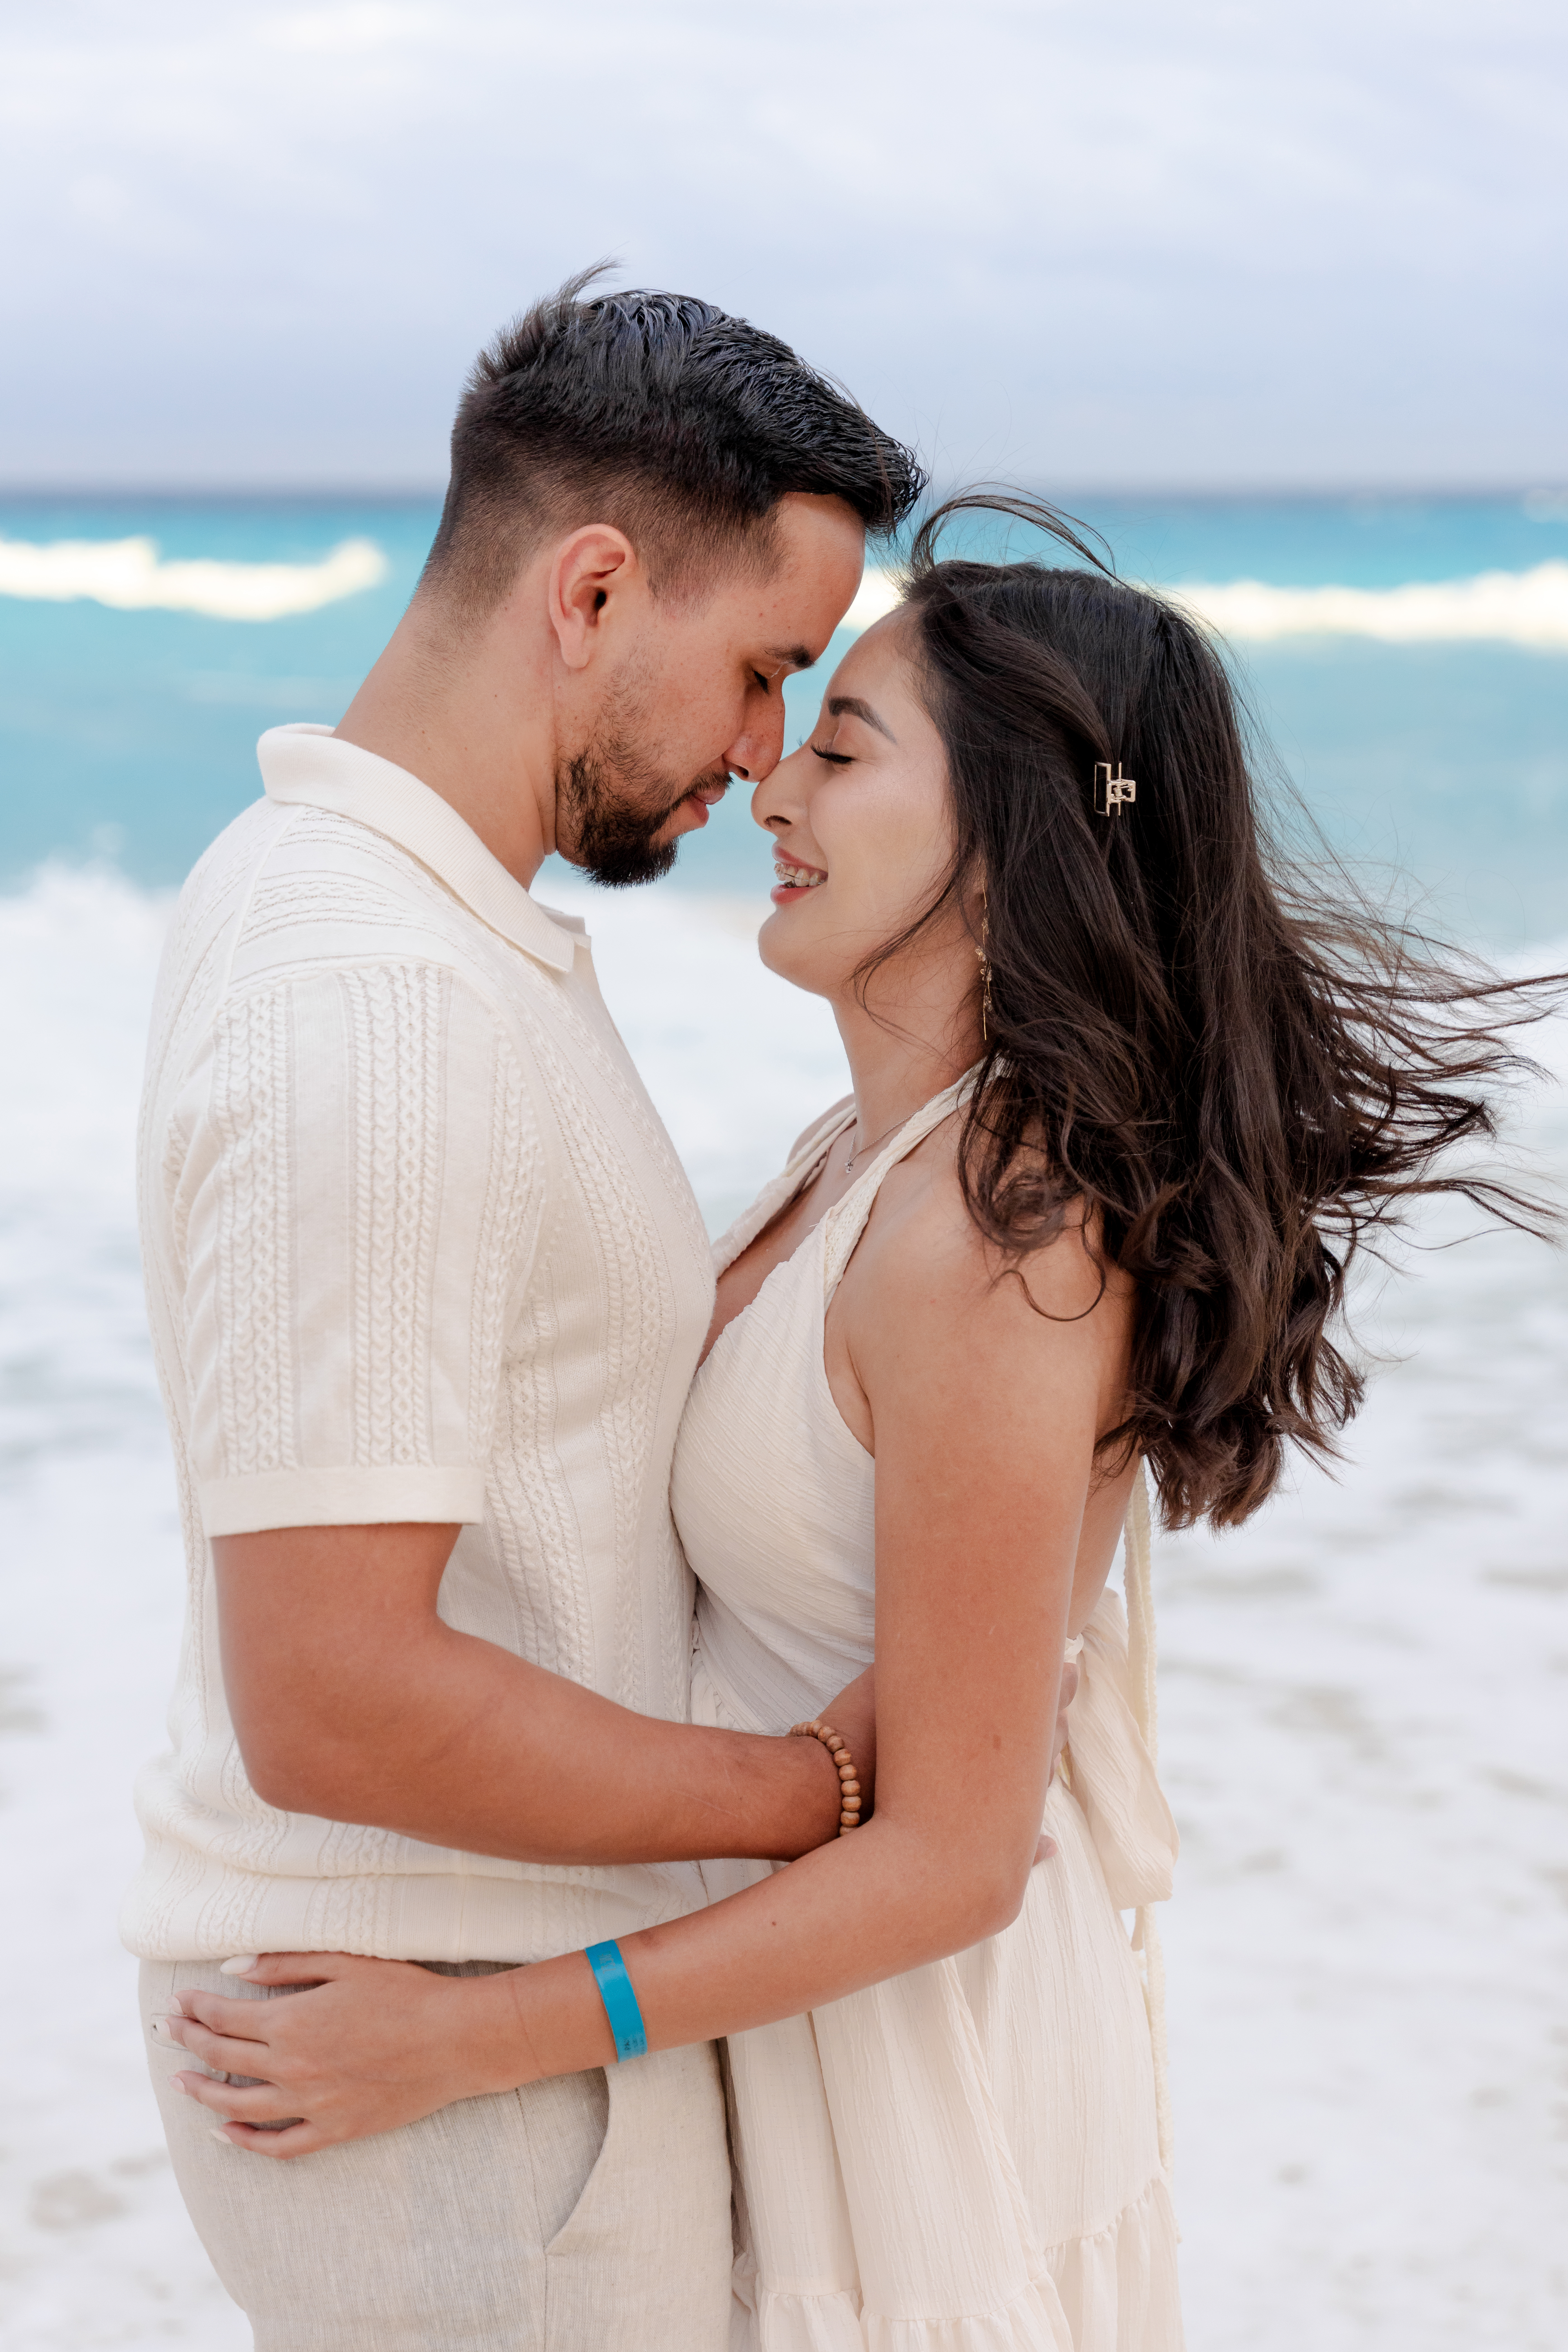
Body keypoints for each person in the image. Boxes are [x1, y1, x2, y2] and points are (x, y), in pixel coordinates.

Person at [156, 495, 1558, 2348]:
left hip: (910, 2069)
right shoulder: (868, 1158)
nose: (771, 786)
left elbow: (955, 1859)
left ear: (1011, 838)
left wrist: (473, 2034)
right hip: (783, 2005)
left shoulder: (1000, 1243)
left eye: (841, 746)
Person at [127, 270, 926, 2351]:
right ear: (590, 594)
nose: (762, 752)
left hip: (477, 2022)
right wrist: (810, 1792)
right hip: (437, 2054)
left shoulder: (372, 913)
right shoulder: (378, 996)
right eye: (761, 669)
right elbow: (334, 1691)